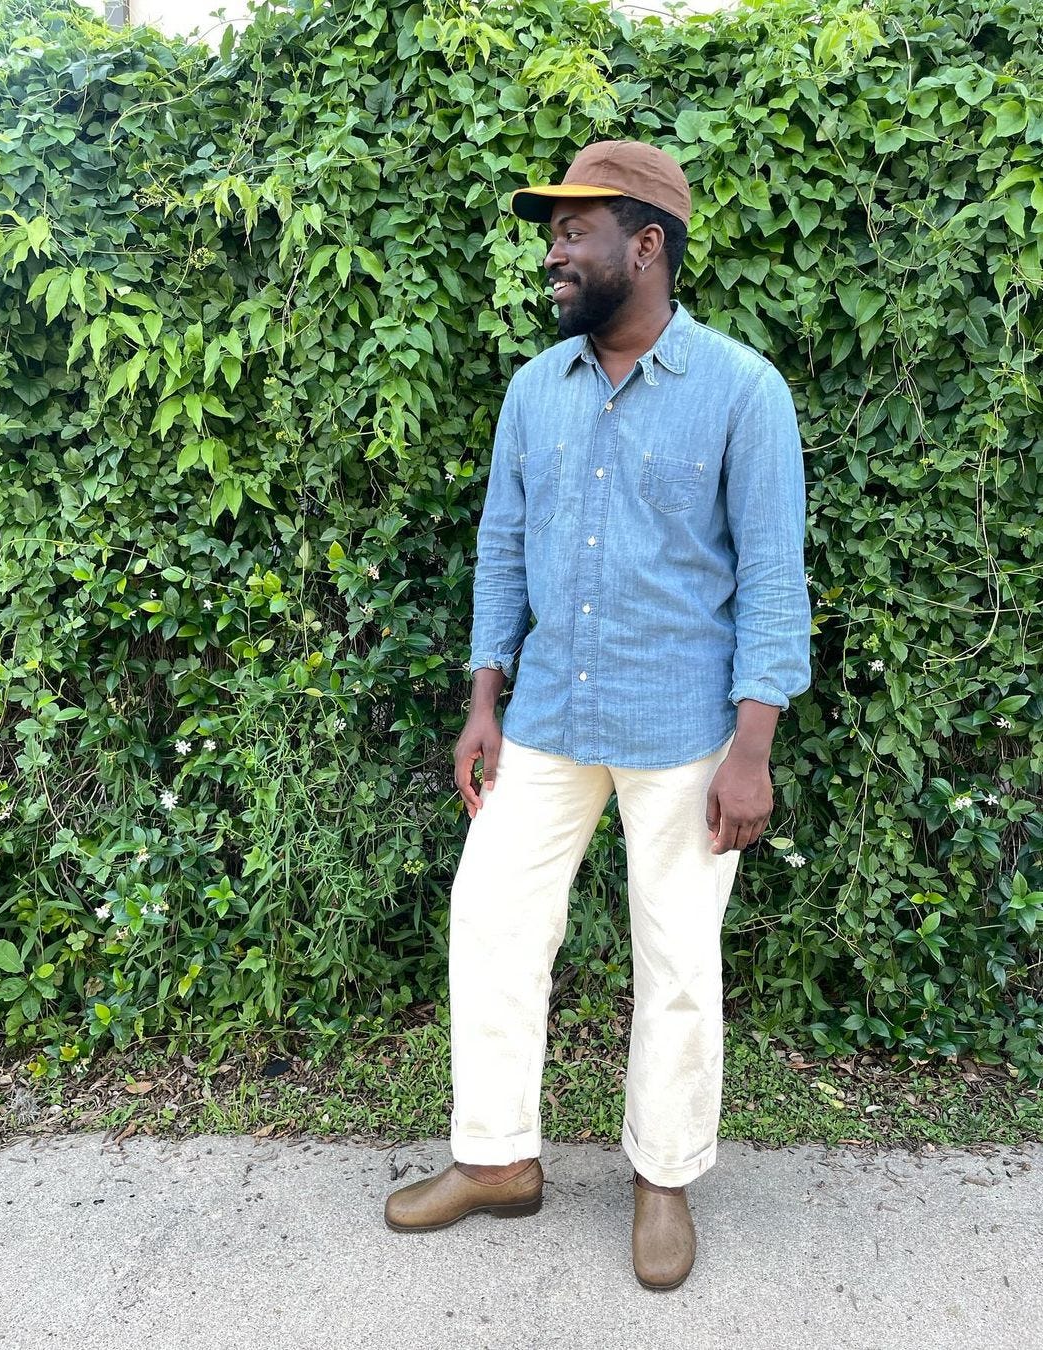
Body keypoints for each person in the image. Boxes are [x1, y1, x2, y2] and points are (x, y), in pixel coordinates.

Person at [384, 140, 811, 1290]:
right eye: (554, 233)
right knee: (491, 922)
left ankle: (662, 1177)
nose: (554, 253)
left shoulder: (742, 390)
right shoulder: (536, 390)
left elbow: (774, 579)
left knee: (676, 960)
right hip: (549, 722)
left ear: (647, 245)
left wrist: (752, 750)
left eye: (576, 232)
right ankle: (497, 1158)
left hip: (686, 736)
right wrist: (486, 700)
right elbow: (502, 551)